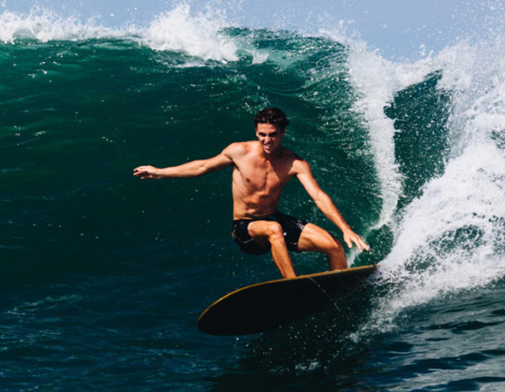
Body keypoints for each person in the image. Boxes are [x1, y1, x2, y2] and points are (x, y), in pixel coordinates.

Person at [133, 107, 369, 279]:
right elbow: (202, 166)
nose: (267, 140)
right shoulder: (239, 152)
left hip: (271, 217)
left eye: (273, 134)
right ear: (256, 132)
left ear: (283, 132)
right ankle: (293, 287)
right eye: (262, 134)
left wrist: (345, 228)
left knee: (334, 245)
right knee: (273, 229)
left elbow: (318, 196)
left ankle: (342, 289)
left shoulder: (294, 163)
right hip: (245, 228)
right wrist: (161, 172)